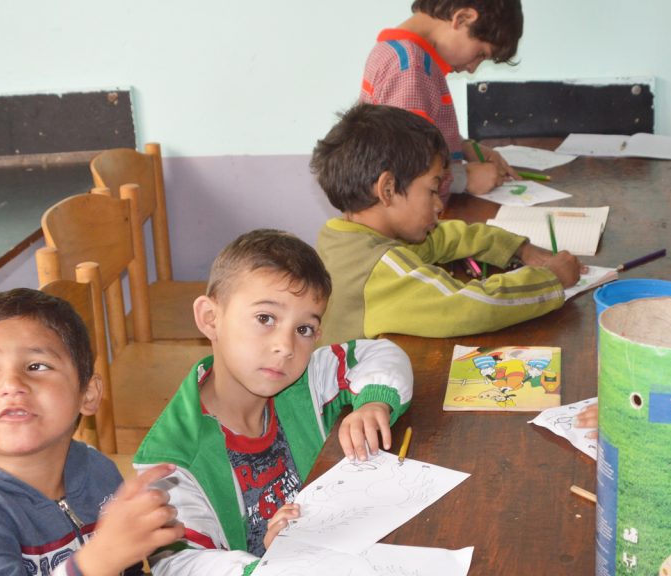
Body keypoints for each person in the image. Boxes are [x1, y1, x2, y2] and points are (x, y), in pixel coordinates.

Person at [133, 229, 414, 576]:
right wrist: (274, 565)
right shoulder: (171, 464)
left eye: (304, 329)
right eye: (265, 318)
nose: (286, 346)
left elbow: (381, 353)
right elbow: (180, 564)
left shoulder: (304, 381)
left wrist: (374, 402)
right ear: (210, 318)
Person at [0, 289, 182, 576]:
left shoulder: (98, 472)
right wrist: (96, 563)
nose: (12, 384)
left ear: (87, 394)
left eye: (36, 366)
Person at [310, 103, 582, 345]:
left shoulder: (341, 234)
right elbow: (471, 306)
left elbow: (441, 238)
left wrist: (515, 247)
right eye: (432, 190)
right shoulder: (380, 267)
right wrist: (551, 279)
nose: (439, 204)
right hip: (351, 402)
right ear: (388, 189)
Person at [360, 0, 523, 203]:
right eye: (480, 54)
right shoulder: (410, 67)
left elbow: (421, 133)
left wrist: (464, 146)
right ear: (462, 18)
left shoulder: (397, 53)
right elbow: (406, 172)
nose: (472, 69)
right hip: (406, 226)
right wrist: (466, 178)